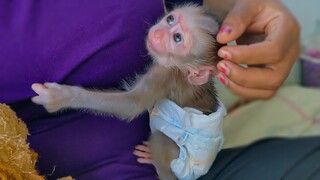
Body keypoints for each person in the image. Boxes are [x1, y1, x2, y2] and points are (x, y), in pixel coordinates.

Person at [2, 0, 317, 180]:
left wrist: (246, 8)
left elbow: (133, 105)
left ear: (198, 73)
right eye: (170, 20)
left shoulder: (172, 73)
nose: (161, 32)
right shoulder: (172, 66)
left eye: (178, 37)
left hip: (183, 155)